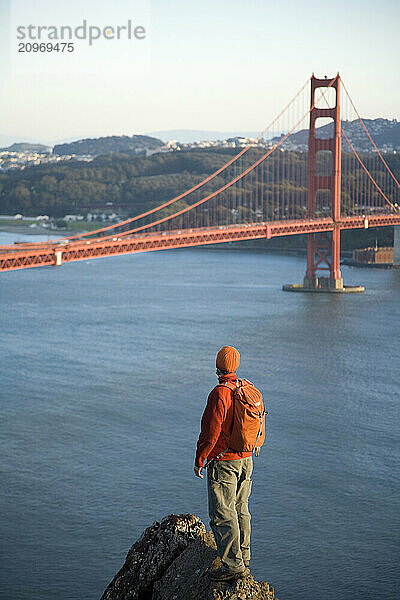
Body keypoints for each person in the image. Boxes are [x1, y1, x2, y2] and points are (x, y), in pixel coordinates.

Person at [194, 345, 254, 582]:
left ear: (218, 366)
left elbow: (210, 432)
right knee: (241, 509)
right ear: (235, 366)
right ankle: (244, 556)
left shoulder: (220, 393)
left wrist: (200, 459)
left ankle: (232, 566)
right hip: (246, 459)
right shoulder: (246, 388)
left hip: (224, 463)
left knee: (222, 514)